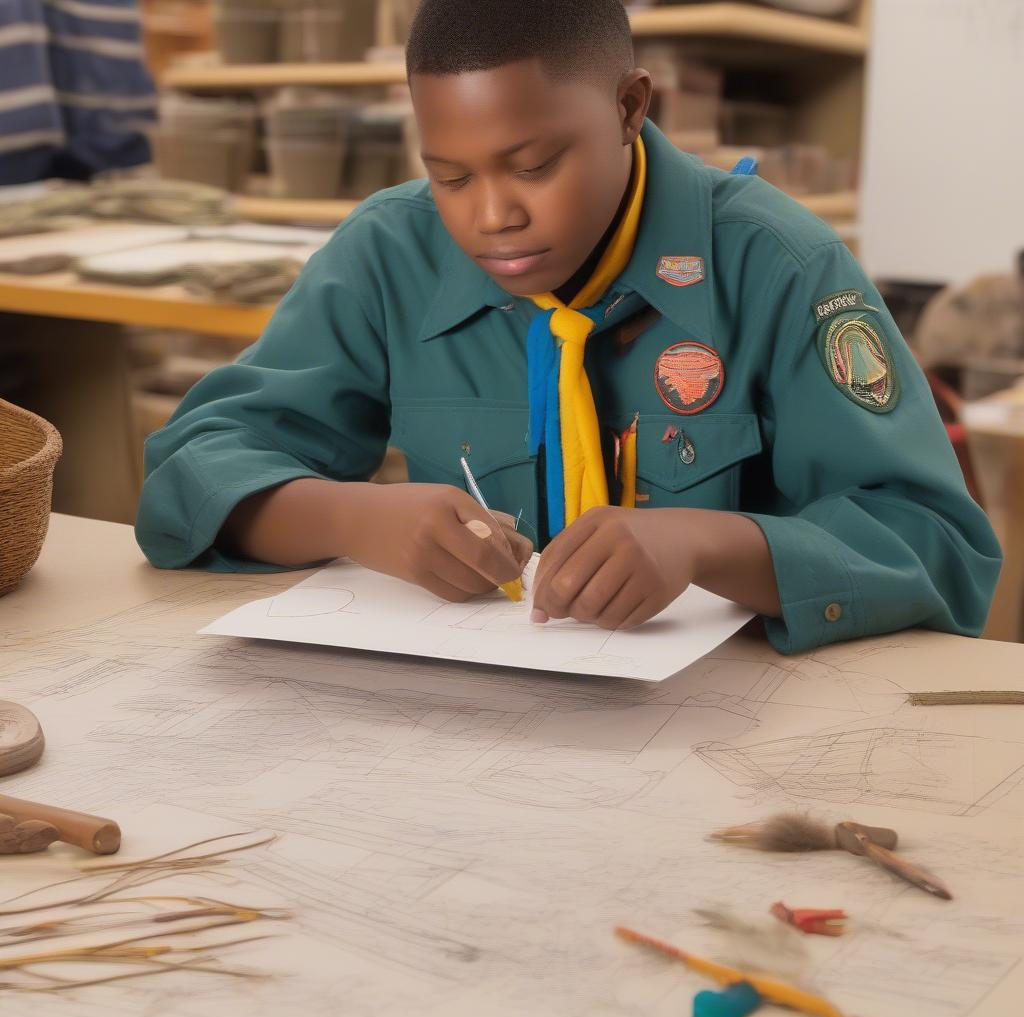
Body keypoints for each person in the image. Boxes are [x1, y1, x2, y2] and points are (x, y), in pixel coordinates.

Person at [136, 0, 1001, 654]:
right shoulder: (390, 250)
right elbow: (191, 474)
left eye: (535, 164)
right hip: (466, 708)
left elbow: (944, 548)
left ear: (630, 108)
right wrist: (349, 517)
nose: (492, 217)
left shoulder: (777, 263)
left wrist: (709, 543)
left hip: (733, 724)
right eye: (449, 175)